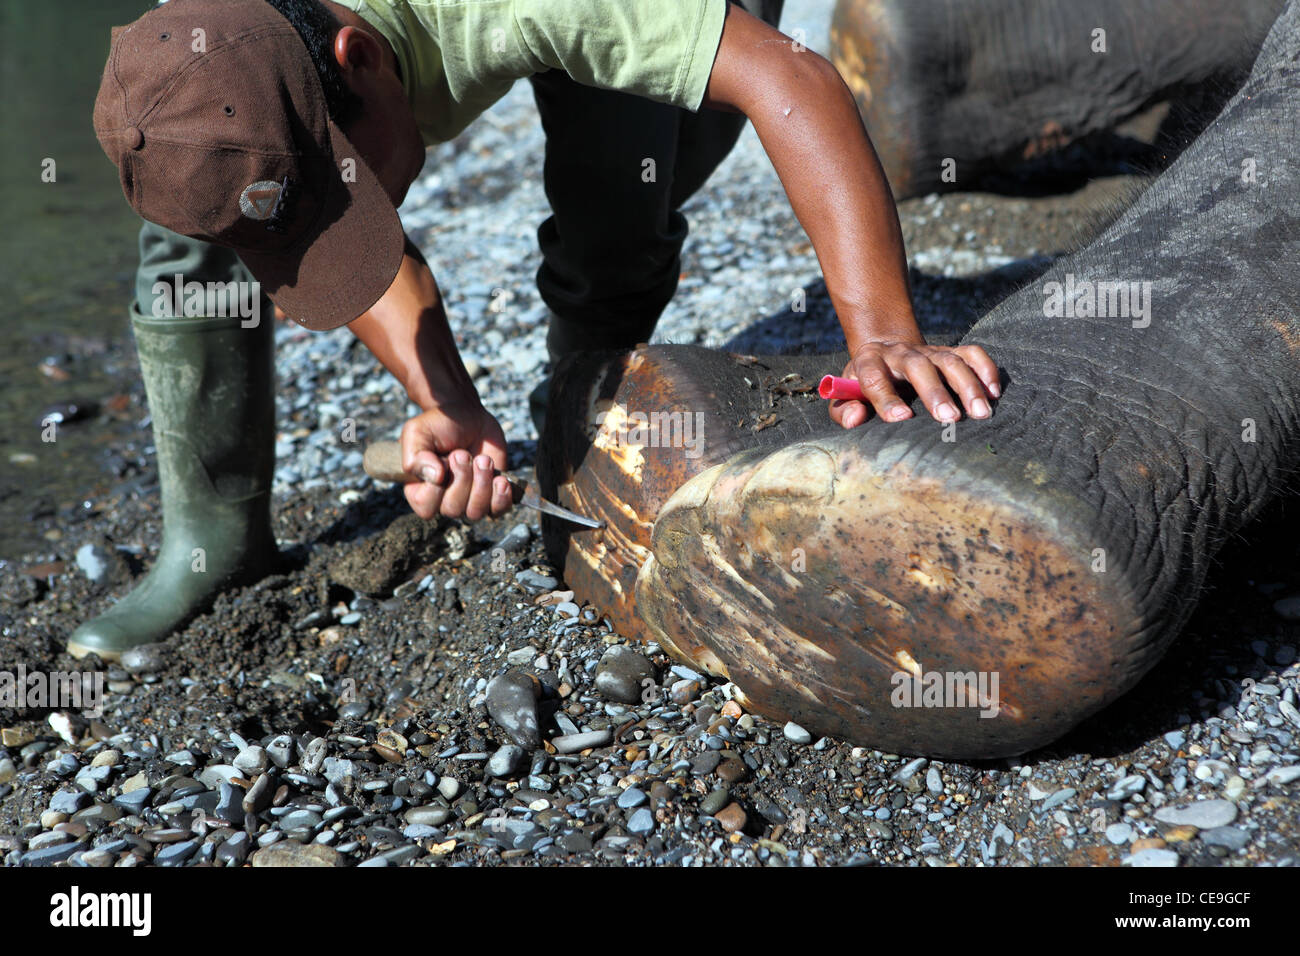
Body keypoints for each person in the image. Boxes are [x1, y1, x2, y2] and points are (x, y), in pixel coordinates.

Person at [74, 0, 998, 659]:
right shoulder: (203, 52)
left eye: (338, 206)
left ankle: (581, 391)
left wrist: (882, 334)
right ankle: (214, 536)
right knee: (195, 204)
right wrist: (447, 402)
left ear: (359, 57)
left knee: (627, 181)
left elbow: (789, 75)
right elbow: (316, 227)